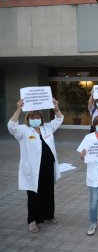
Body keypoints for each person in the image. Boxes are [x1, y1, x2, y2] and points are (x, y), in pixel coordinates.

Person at [8, 98, 63, 233]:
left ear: (41, 119)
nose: (35, 119)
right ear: (28, 118)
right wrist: (19, 108)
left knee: (48, 192)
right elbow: (11, 126)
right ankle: (33, 220)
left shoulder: (46, 128)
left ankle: (49, 215)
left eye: (38, 117)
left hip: (48, 167)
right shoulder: (24, 130)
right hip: (33, 169)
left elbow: (59, 119)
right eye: (33, 117)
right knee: (34, 194)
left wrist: (56, 108)